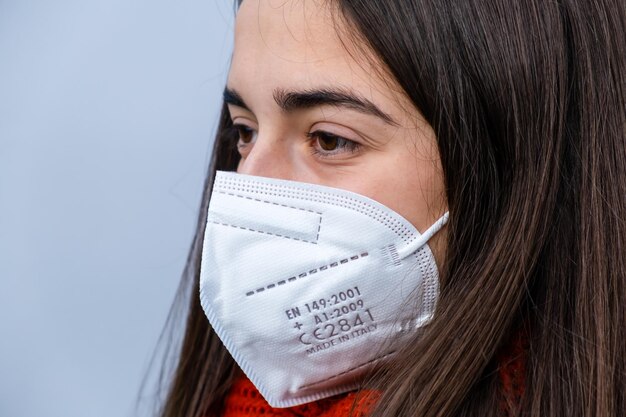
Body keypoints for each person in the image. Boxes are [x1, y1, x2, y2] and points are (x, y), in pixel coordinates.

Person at [155, 1, 626, 416]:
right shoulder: (228, 399)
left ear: (516, 162)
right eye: (245, 132)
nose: (251, 190)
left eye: (330, 139)